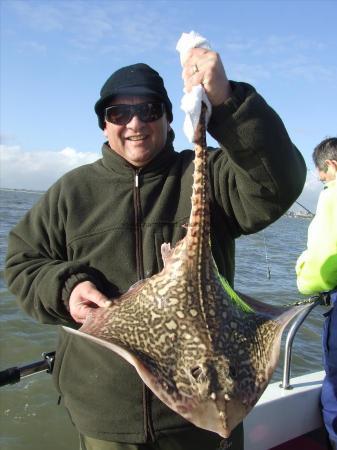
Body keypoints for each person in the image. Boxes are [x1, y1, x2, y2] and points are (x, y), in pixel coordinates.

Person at [5, 48, 306, 450]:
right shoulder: (70, 192)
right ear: (103, 124)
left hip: (196, 434)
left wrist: (226, 101)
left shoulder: (214, 175)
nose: (135, 123)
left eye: (149, 110)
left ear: (168, 118)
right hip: (107, 417)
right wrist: (66, 288)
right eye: (118, 113)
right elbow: (22, 262)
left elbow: (277, 183)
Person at [296, 137, 337, 450]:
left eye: (322, 176)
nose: (322, 181)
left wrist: (302, 274)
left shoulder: (332, 196)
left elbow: (322, 267)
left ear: (332, 166)